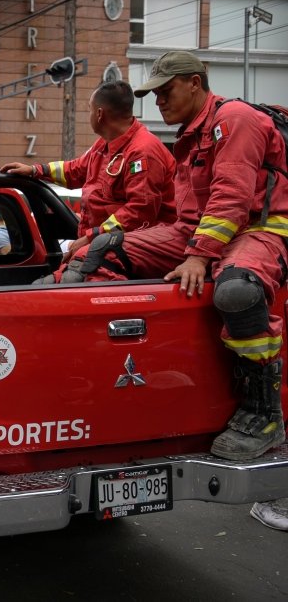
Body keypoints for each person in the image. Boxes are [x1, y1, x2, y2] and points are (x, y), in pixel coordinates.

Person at [69, 51, 287, 468]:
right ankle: (106, 376)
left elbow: (233, 198)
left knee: (237, 291)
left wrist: (199, 257)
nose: (158, 102)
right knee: (104, 250)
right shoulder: (190, 133)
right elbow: (191, 218)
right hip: (203, 230)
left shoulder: (233, 120)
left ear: (195, 82)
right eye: (154, 94)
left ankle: (263, 415)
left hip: (260, 229)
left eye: (165, 91)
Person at [2, 80, 176, 265]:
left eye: (90, 110)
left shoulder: (142, 151)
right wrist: (35, 170)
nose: (89, 115)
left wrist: (91, 238)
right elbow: (75, 170)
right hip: (106, 246)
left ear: (100, 114)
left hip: (133, 254)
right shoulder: (104, 144)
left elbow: (139, 211)